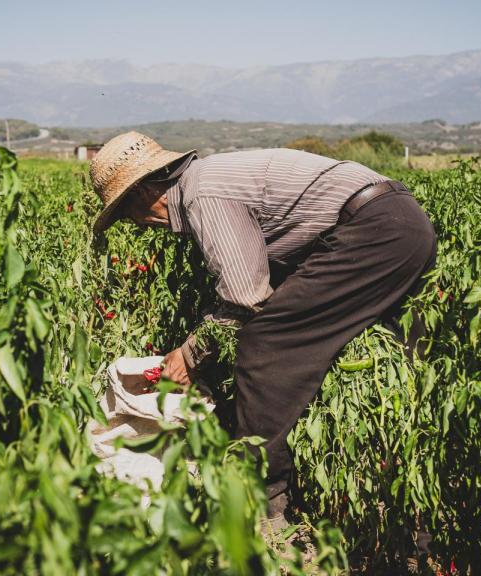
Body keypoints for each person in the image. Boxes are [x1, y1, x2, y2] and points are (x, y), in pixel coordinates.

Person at [89, 131, 437, 526]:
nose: (138, 226)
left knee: (265, 341)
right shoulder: (208, 180)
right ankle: (407, 503)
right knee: (390, 355)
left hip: (375, 232)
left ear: (143, 194)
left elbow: (245, 297)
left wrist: (189, 354)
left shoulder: (203, 193)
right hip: (396, 221)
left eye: (127, 214)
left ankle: (263, 497)